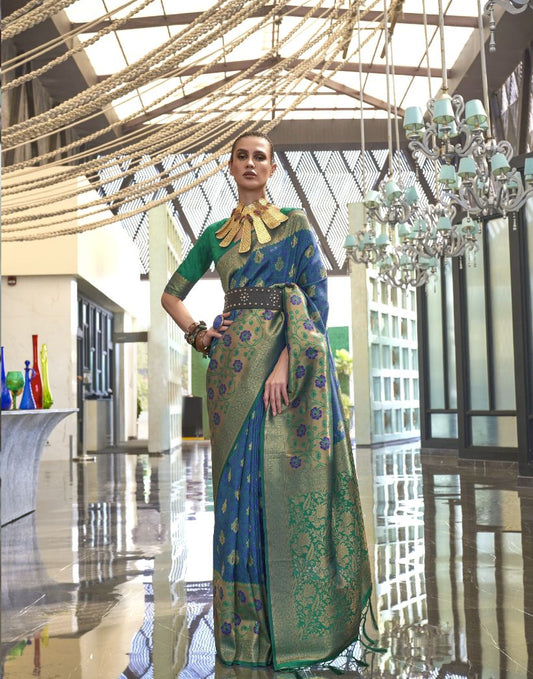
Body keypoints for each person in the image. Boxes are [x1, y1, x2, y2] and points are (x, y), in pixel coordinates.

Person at [161, 133, 373, 671]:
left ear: (273, 168)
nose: (251, 163)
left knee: (277, 484)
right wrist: (200, 334)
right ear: (230, 165)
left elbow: (316, 302)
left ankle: (291, 628)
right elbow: (170, 293)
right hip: (229, 372)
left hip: (283, 370)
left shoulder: (294, 226)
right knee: (234, 493)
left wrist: (285, 362)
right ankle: (244, 630)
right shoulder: (215, 235)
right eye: (242, 156)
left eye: (260, 156)